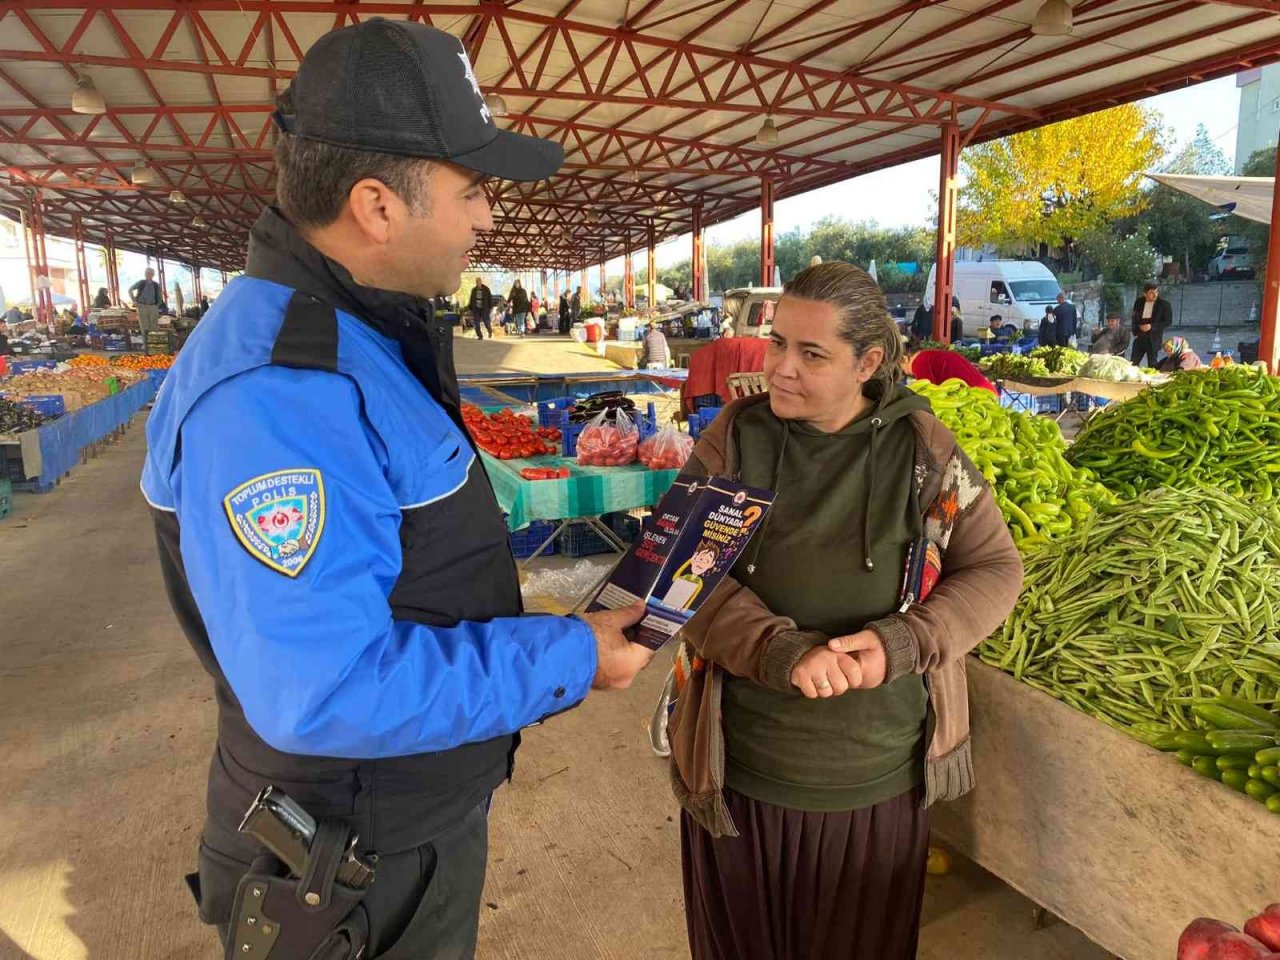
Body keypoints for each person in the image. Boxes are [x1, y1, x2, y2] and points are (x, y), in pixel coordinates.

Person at [140, 20, 651, 959]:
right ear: (377, 205)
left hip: (395, 815)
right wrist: (566, 658)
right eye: (471, 191)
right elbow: (323, 685)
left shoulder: (359, 338)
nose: (486, 219)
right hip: (353, 864)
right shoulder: (282, 394)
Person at [668, 262, 1022, 960]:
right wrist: (777, 650)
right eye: (776, 344)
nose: (780, 370)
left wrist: (905, 643)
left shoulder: (924, 452)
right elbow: (678, 572)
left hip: (874, 780)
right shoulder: (735, 443)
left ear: (869, 361)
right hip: (742, 772)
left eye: (811, 353)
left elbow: (994, 568)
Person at [903, 336, 997, 394]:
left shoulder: (918, 363)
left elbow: (930, 393)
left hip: (980, 398)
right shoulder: (927, 355)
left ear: (905, 358)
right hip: (987, 391)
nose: (902, 371)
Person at [1130, 281, 1172, 368]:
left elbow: (1168, 321)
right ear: (1145, 294)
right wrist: (1135, 332)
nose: (1154, 295)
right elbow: (1134, 318)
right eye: (1151, 293)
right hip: (1140, 336)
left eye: (1156, 292)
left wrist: (1151, 326)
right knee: (1133, 363)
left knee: (1152, 365)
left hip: (1153, 337)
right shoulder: (1139, 302)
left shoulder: (1164, 304)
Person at [129, 267, 163, 335]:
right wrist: (134, 300)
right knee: (144, 326)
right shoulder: (141, 282)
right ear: (145, 274)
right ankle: (146, 344)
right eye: (147, 273)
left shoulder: (156, 284)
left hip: (153, 306)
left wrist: (157, 306)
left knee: (154, 326)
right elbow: (130, 290)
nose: (148, 275)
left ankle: (153, 344)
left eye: (150, 273)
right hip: (142, 306)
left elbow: (160, 296)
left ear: (153, 275)